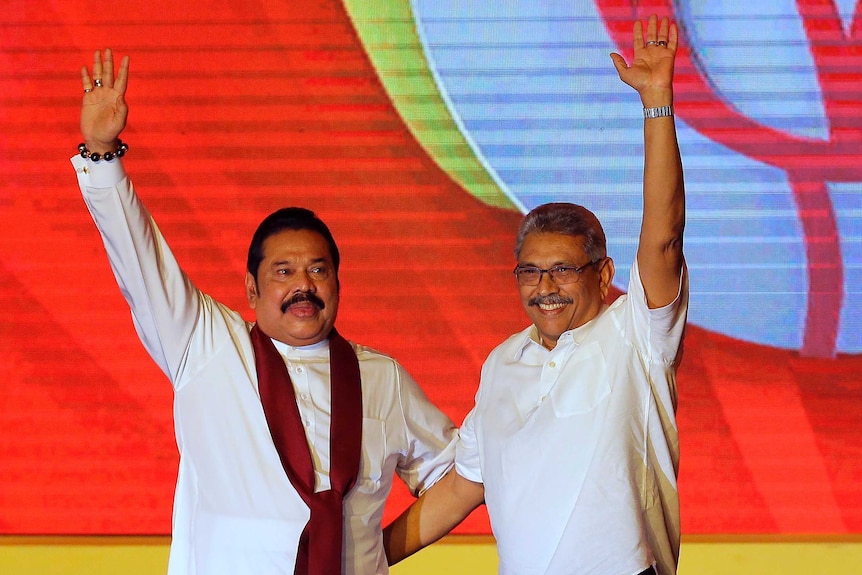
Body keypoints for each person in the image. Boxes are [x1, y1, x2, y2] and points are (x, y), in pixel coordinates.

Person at [72, 49, 458, 575]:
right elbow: (140, 264)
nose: (303, 285)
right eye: (283, 272)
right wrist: (102, 153)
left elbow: (459, 476)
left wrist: (373, 554)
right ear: (251, 289)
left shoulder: (382, 378)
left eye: (318, 271)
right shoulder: (205, 344)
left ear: (339, 283)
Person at [383, 14, 688, 575]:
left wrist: (657, 104)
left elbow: (664, 238)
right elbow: (462, 487)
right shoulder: (503, 363)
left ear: (603, 275)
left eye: (564, 270)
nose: (545, 288)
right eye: (530, 272)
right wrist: (364, 558)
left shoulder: (636, 337)